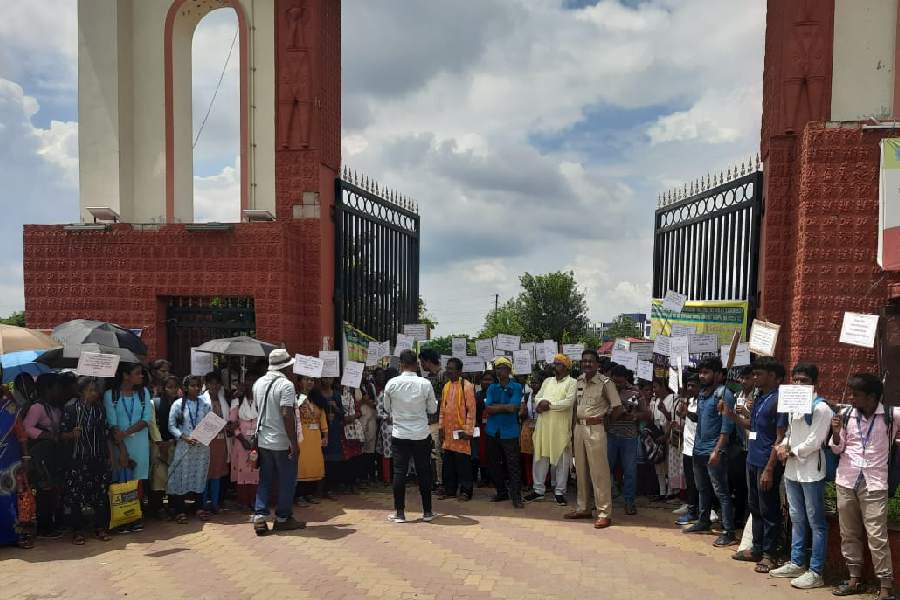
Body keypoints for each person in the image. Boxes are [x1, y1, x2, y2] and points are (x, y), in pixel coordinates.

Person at [830, 373, 899, 600]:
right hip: (847, 479)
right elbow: (837, 449)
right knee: (849, 533)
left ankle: (886, 586)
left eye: (856, 395)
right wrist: (836, 433)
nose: (852, 398)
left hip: (874, 483)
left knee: (877, 535)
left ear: (871, 397)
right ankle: (854, 578)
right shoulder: (847, 415)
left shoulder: (891, 415)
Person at [767, 362, 831, 589]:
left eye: (804, 380)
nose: (799, 384)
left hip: (811, 471)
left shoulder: (821, 408)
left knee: (816, 521)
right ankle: (796, 562)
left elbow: (815, 440)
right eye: (796, 380)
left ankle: (816, 571)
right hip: (792, 470)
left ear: (814, 383)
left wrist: (791, 451)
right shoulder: (793, 403)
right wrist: (782, 446)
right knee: (796, 518)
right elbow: (790, 434)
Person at [724, 356, 787, 572]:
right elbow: (752, 424)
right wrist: (731, 414)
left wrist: (770, 468)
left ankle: (771, 554)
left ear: (772, 376)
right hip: (752, 458)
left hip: (766, 462)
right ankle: (757, 548)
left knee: (769, 509)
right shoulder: (760, 397)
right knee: (755, 507)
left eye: (759, 374)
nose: (754, 378)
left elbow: (780, 438)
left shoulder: (779, 400)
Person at [683, 356, 737, 547]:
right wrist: (687, 414)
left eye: (706, 372)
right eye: (701, 372)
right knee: (702, 488)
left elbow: (726, 427)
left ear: (718, 374)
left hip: (714, 451)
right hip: (698, 450)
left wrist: (717, 450)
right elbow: (703, 420)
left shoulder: (724, 394)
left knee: (721, 492)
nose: (702, 376)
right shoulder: (703, 394)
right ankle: (703, 521)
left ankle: (728, 531)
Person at [566, 348, 621, 528]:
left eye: (590, 361)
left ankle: (604, 512)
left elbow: (617, 407)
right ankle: (583, 508)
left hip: (595, 428)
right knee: (580, 471)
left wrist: (606, 421)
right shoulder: (579, 381)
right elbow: (576, 407)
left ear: (597, 364)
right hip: (579, 428)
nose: (587, 364)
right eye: (584, 361)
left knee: (599, 473)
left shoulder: (605, 383)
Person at [251, 349, 303, 535]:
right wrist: (293, 442)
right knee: (287, 480)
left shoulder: (258, 383)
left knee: (265, 479)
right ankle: (283, 517)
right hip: (281, 441)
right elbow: (286, 414)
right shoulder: (286, 385)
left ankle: (260, 515)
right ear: (286, 365)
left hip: (264, 440)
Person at [383, 349, 438, 524]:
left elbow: (386, 408)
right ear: (416, 364)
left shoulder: (391, 383)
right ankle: (428, 512)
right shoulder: (425, 384)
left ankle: (400, 513)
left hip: (400, 434)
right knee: (424, 472)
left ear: (401, 364)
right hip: (421, 434)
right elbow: (432, 410)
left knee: (399, 472)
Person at [60, 377, 112, 544]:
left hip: (98, 457)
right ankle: (77, 531)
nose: (94, 393)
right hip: (78, 458)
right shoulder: (70, 408)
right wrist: (70, 434)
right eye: (90, 390)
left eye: (96, 390)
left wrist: (108, 455)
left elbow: (105, 433)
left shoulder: (100, 409)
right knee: (76, 495)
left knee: (100, 493)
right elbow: (61, 433)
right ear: (81, 391)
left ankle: (100, 527)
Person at [104, 362, 152, 532]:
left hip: (139, 444)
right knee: (121, 479)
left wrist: (126, 432)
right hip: (119, 445)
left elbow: (146, 419)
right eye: (138, 373)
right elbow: (112, 423)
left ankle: (135, 516)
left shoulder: (143, 393)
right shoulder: (111, 395)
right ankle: (121, 518)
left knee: (137, 481)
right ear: (125, 375)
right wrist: (122, 445)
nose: (141, 376)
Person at [525, 354, 576, 506]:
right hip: (543, 427)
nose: (555, 366)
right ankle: (538, 490)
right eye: (554, 363)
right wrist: (541, 403)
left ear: (566, 367)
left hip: (560, 428)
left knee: (561, 460)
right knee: (540, 458)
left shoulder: (572, 382)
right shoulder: (547, 381)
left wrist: (548, 405)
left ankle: (560, 491)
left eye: (559, 364)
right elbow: (538, 397)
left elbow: (568, 402)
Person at [24, 373, 66, 538]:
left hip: (53, 453)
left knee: (54, 488)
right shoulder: (37, 407)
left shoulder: (54, 407)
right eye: (57, 388)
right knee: (44, 489)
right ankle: (44, 527)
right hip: (41, 454)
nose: (60, 391)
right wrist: (45, 435)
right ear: (48, 389)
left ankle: (53, 523)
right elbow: (27, 427)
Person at [606, 364, 650, 515]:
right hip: (610, 435)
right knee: (606, 470)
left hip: (629, 437)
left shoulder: (636, 392)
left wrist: (634, 416)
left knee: (630, 471)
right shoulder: (607, 391)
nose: (617, 385)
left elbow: (647, 413)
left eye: (620, 382)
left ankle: (629, 502)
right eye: (614, 382)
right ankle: (604, 501)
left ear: (626, 379)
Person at [167, 375, 212, 523]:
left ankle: (199, 508)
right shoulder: (178, 404)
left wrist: (205, 435)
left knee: (199, 475)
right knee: (182, 476)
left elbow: (210, 423)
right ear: (186, 388)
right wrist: (184, 437)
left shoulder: (205, 404)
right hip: (185, 446)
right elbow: (171, 426)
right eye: (193, 385)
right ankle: (180, 510)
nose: (196, 388)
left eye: (198, 385)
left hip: (201, 448)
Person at [0, 377, 36, 549]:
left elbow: (22, 436)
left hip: (10, 464)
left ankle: (17, 536)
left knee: (13, 500)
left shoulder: (10, 408)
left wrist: (26, 458)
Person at [484, 359, 523, 507]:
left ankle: (516, 496)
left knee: (513, 464)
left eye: (501, 368)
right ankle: (501, 492)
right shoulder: (492, 387)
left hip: (509, 432)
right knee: (493, 463)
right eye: (496, 369)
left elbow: (514, 408)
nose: (498, 371)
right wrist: (505, 407)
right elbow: (488, 409)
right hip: (492, 431)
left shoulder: (517, 387)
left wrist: (497, 407)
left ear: (508, 369)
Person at [437, 357, 476, 501]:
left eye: (452, 369)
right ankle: (450, 490)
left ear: (460, 371)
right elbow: (442, 408)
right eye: (448, 368)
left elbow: (471, 410)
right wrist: (441, 428)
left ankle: (466, 491)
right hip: (448, 432)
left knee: (463, 463)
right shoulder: (446, 386)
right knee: (448, 463)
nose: (449, 371)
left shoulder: (467, 386)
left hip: (461, 432)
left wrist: (468, 430)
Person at [148, 375, 179, 518]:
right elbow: (153, 425)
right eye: (169, 387)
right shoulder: (154, 403)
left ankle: (173, 506)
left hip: (175, 444)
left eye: (175, 387)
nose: (172, 390)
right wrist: (161, 444)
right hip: (158, 446)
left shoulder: (180, 404)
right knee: (158, 478)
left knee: (173, 476)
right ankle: (157, 507)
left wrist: (172, 441)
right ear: (163, 388)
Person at [201, 371, 231, 514]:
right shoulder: (202, 400)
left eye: (217, 383)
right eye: (211, 383)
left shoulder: (223, 400)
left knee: (217, 472)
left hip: (221, 442)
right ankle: (203, 502)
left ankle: (215, 502)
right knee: (206, 472)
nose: (214, 386)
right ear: (206, 384)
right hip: (207, 441)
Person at [674, 374, 700, 525]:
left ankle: (703, 512)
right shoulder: (690, 401)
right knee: (690, 482)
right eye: (688, 385)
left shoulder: (702, 401)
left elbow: (698, 418)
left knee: (700, 484)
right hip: (687, 448)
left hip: (699, 449)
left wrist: (687, 413)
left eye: (693, 385)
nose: (690, 388)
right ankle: (692, 510)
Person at [230, 379, 260, 511]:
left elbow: (264, 421)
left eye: (253, 383)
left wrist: (256, 439)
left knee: (255, 471)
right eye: (248, 383)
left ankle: (254, 500)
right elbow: (232, 422)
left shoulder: (261, 401)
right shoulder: (237, 401)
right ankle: (243, 502)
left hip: (257, 441)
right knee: (242, 472)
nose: (251, 386)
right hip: (241, 442)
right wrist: (242, 439)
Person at [296, 384, 329, 503]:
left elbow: (323, 419)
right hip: (302, 437)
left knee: (314, 464)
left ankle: (309, 493)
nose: (308, 382)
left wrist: (325, 436)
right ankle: (299, 495)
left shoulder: (318, 401)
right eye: (305, 380)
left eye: (310, 380)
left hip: (315, 438)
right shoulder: (297, 399)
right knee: (302, 465)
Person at [419, 348, 444, 492]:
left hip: (438, 421)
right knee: (432, 453)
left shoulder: (442, 376)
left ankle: (440, 482)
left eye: (422, 361)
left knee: (437, 453)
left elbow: (445, 399)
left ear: (428, 361)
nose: (421, 365)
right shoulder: (428, 377)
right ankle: (435, 481)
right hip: (429, 421)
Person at [653, 378, 682, 502]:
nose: (654, 390)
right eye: (653, 387)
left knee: (672, 465)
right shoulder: (656, 400)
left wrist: (664, 411)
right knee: (659, 464)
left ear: (664, 386)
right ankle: (662, 491)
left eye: (656, 387)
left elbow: (673, 419)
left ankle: (672, 491)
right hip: (658, 436)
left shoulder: (674, 398)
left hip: (670, 435)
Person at [322, 378, 347, 495]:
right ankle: (324, 487)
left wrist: (335, 407)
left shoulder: (336, 395)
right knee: (323, 458)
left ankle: (333, 485)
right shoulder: (318, 394)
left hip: (334, 429)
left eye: (329, 378)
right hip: (322, 430)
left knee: (334, 459)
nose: (327, 381)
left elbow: (342, 414)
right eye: (325, 378)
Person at [376, 368, 399, 484]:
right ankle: (387, 478)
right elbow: (379, 412)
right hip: (387, 427)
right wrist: (387, 417)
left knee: (398, 453)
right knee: (387, 453)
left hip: (400, 426)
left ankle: (398, 477)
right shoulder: (383, 394)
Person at [474, 370, 496, 487]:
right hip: (481, 427)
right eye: (484, 380)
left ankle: (494, 478)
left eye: (489, 380)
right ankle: (484, 477)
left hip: (495, 427)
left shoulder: (497, 393)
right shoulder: (478, 395)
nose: (487, 382)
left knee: (493, 452)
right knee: (482, 452)